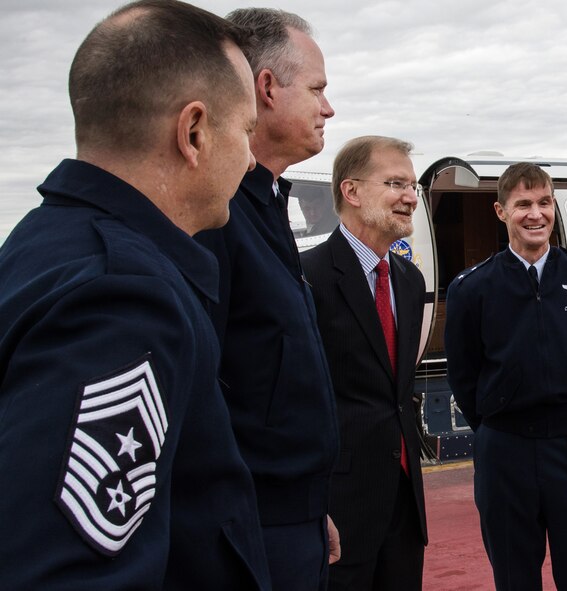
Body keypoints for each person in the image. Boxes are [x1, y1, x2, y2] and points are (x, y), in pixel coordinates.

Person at [0, 1, 271, 589]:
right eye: (246, 130)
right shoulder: (122, 298)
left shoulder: (39, 246)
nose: (250, 159)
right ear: (194, 131)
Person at [194, 8, 339, 590]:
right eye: (318, 90)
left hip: (291, 515)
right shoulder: (217, 214)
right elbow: (203, 390)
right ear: (267, 89)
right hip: (251, 527)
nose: (328, 108)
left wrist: (309, 506)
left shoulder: (266, 203)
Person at [445, 162, 567, 590]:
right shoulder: (472, 288)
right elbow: (463, 371)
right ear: (501, 212)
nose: (535, 214)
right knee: (514, 576)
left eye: (544, 202)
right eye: (523, 204)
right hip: (505, 449)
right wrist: (496, 416)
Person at [301, 136, 428, 591]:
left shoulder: (410, 281)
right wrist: (311, 502)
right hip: (339, 507)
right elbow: (296, 402)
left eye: (412, 185)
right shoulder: (306, 277)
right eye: (396, 183)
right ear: (351, 192)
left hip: (404, 503)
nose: (411, 197)